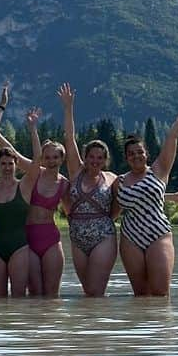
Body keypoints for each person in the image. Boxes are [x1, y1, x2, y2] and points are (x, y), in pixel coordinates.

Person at [116, 85, 178, 297]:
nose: (136, 156)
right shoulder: (118, 181)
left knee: (160, 293)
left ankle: (161, 329)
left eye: (140, 152)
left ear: (146, 154)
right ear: (126, 158)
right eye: (131, 154)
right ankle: (142, 328)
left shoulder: (159, 170)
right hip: (130, 236)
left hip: (158, 232)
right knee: (141, 295)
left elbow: (172, 136)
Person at [0, 108, 67, 296]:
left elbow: (73, 212)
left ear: (61, 159)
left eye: (55, 157)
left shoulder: (64, 184)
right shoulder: (33, 174)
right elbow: (9, 152)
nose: (51, 161)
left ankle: (51, 325)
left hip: (51, 238)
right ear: (42, 159)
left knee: (52, 294)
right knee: (35, 293)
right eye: (47, 157)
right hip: (27, 237)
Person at [57, 83, 118, 297]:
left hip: (104, 236)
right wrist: (68, 107)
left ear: (105, 160)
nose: (95, 161)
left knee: (95, 290)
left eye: (100, 158)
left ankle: (98, 328)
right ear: (85, 157)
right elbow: (69, 138)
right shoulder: (76, 172)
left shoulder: (112, 179)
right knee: (88, 293)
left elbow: (131, 194)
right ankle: (92, 328)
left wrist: (168, 196)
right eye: (91, 156)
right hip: (77, 238)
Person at [0, 144, 31, 298]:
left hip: (20, 246)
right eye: (3, 163)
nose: (7, 167)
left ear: (16, 165)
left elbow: (36, 167)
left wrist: (33, 130)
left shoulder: (24, 186)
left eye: (11, 163)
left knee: (19, 296)